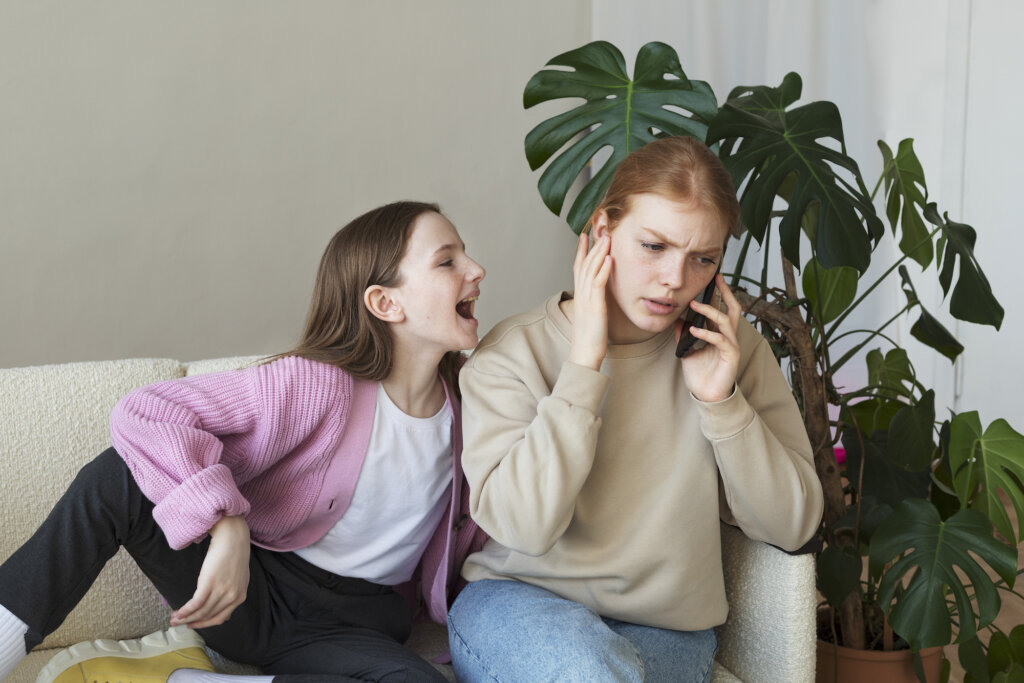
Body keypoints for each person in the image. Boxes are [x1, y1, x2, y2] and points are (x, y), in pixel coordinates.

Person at [0, 200, 489, 683]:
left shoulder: (477, 404)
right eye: (448, 261)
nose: (476, 270)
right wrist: (226, 523)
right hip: (246, 595)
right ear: (386, 302)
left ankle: (187, 680)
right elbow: (146, 412)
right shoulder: (315, 385)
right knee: (117, 476)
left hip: (355, 627)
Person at [447, 136, 824, 682]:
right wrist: (583, 367)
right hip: (517, 606)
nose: (675, 279)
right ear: (603, 233)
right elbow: (525, 528)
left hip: (665, 629)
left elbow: (793, 525)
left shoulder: (729, 351)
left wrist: (721, 403)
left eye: (703, 259)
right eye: (654, 246)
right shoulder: (514, 351)